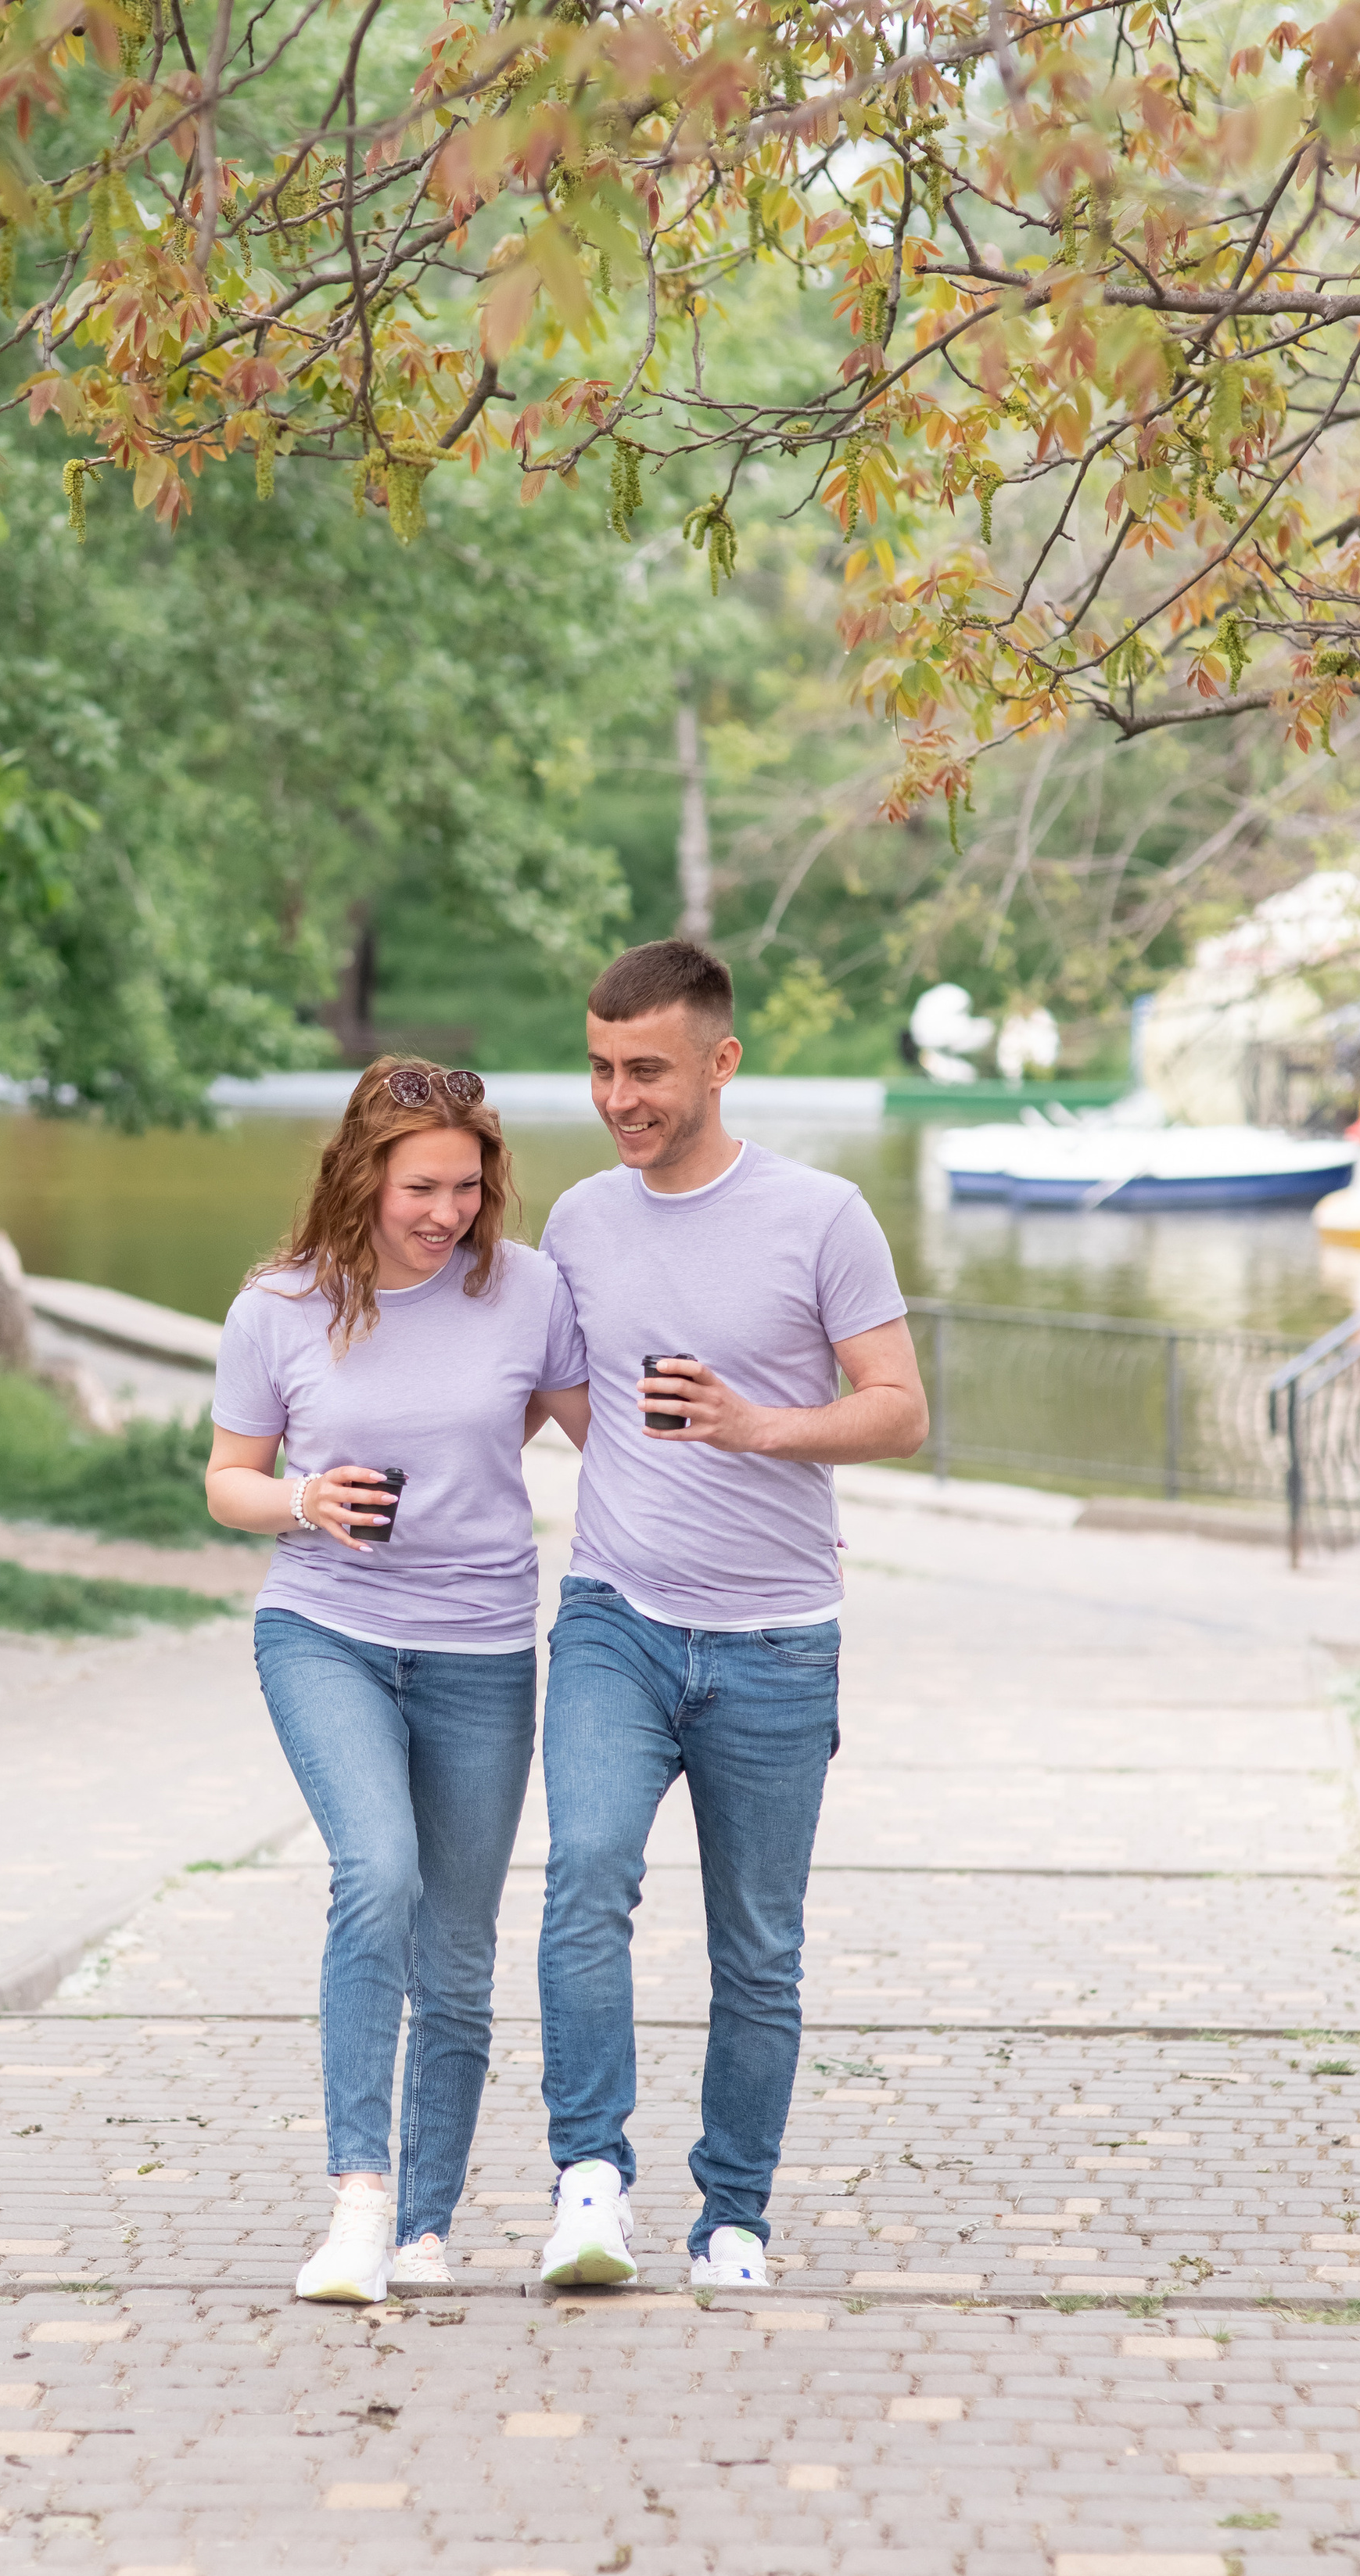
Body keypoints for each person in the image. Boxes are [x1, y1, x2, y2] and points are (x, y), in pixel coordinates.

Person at [533, 939, 928, 2292]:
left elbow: (900, 1410)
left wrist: (756, 1427)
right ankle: (589, 2184)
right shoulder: (580, 1221)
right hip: (615, 1620)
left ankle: (734, 2221)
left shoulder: (822, 1216)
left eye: (646, 1069)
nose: (618, 1097)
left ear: (721, 1062)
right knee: (585, 1875)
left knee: (757, 1950)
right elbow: (566, 1397)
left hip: (776, 1642)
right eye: (600, 1067)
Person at [206, 1059, 588, 2304]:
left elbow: (598, 1434)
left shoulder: (526, 1290)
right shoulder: (278, 1306)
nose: (448, 1212)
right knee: (375, 1872)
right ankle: (359, 2205)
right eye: (422, 1187)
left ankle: (426, 2225)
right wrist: (304, 1499)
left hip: (482, 1646)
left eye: (467, 1188)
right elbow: (228, 1482)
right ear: (361, 1175)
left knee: (460, 1951)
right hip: (326, 1629)